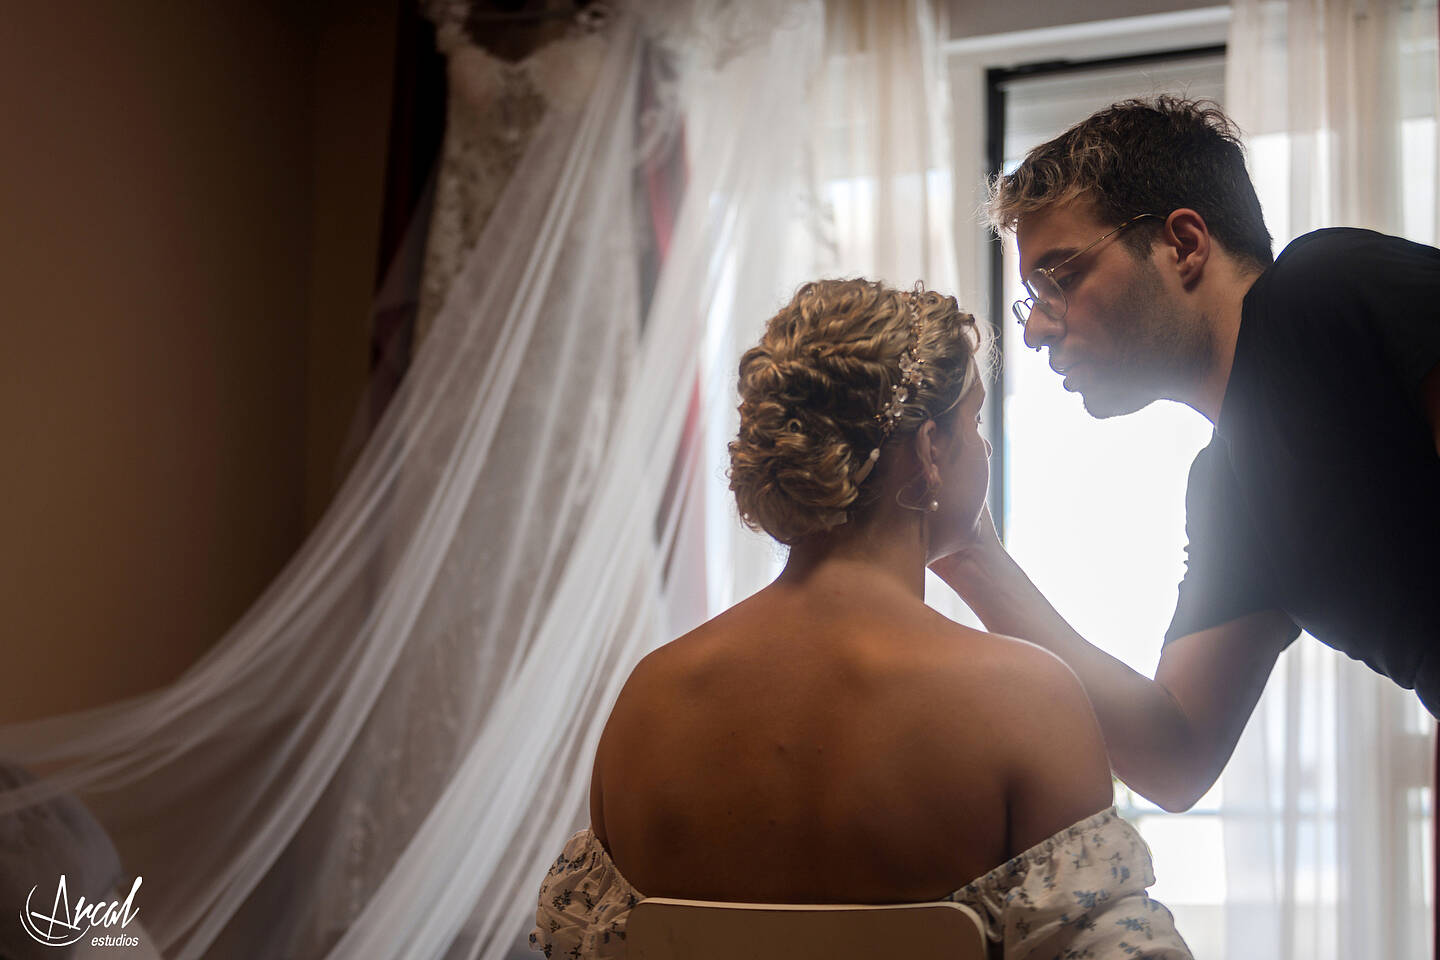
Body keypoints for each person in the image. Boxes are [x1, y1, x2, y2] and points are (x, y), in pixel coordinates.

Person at [530, 279, 1193, 959]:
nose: (985, 451)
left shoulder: (649, 700)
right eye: (973, 424)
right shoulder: (1028, 703)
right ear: (932, 449)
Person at [929, 97, 1440, 814]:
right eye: (1031, 300)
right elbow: (1174, 756)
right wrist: (969, 552)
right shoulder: (1230, 486)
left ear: (1184, 244)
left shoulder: (1329, 288)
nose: (1038, 330)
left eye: (1062, 278)